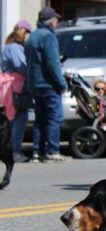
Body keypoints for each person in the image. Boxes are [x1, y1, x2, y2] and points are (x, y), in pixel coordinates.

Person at [25, 7, 70, 163]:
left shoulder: (32, 36)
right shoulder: (48, 37)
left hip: (35, 84)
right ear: (51, 21)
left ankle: (37, 152)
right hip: (48, 84)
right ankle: (52, 151)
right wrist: (62, 83)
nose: (57, 23)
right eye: (56, 20)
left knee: (40, 119)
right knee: (53, 118)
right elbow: (52, 63)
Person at [0, 20, 32, 163]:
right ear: (23, 32)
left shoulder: (10, 46)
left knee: (13, 120)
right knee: (19, 118)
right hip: (15, 87)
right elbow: (22, 66)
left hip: (12, 86)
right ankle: (15, 152)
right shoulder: (14, 47)